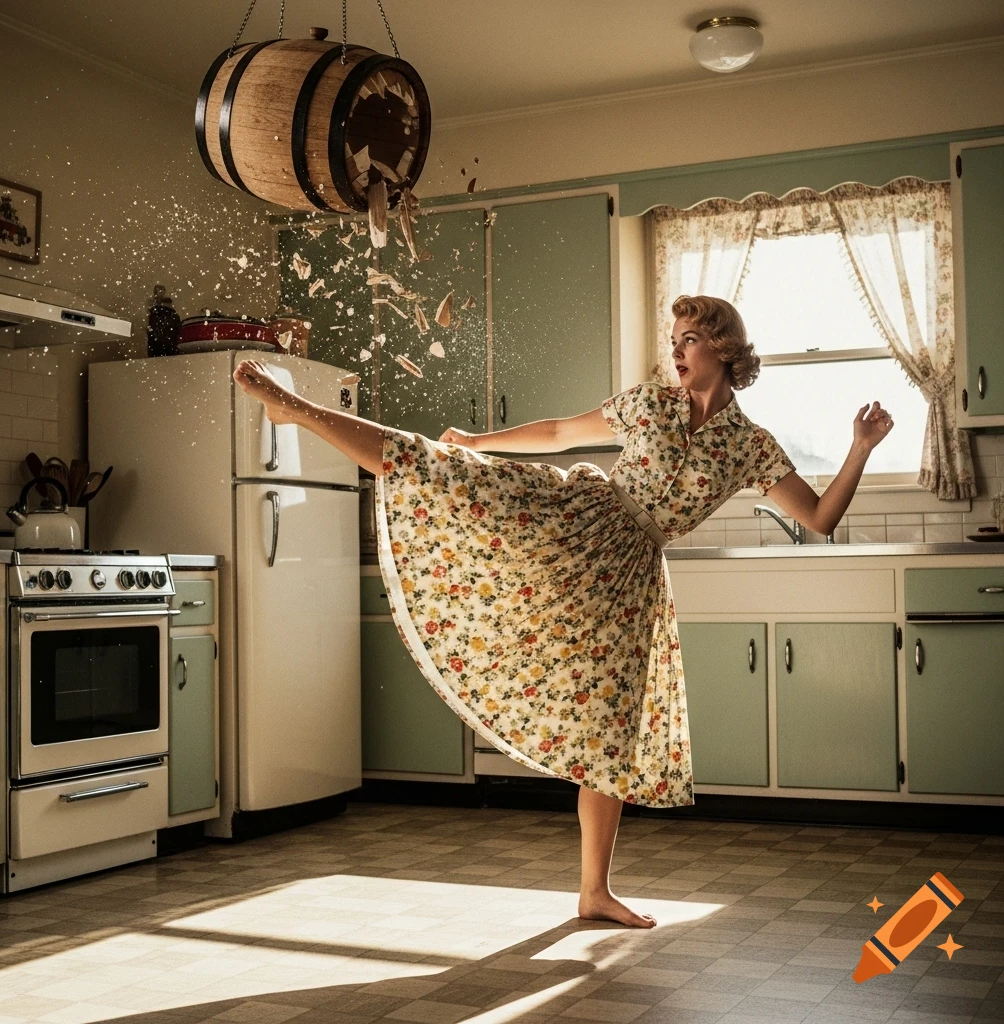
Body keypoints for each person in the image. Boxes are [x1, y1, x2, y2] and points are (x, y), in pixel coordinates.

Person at [233, 293, 894, 929]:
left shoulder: (750, 445)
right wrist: (479, 441)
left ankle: (593, 891)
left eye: (689, 339)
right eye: (673, 342)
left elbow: (820, 516)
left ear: (724, 347)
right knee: (435, 467)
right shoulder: (649, 403)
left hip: (632, 578)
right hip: (579, 520)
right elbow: (557, 432)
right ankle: (299, 410)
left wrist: (860, 448)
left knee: (610, 730)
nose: (677, 352)